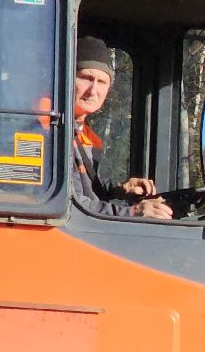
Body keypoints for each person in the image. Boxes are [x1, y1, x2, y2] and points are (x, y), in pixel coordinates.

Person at [71, 36, 170, 219]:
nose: (93, 90)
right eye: (86, 78)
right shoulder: (47, 131)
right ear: (67, 78)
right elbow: (72, 206)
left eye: (102, 82)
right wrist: (132, 212)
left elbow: (87, 188)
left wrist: (120, 189)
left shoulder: (83, 134)